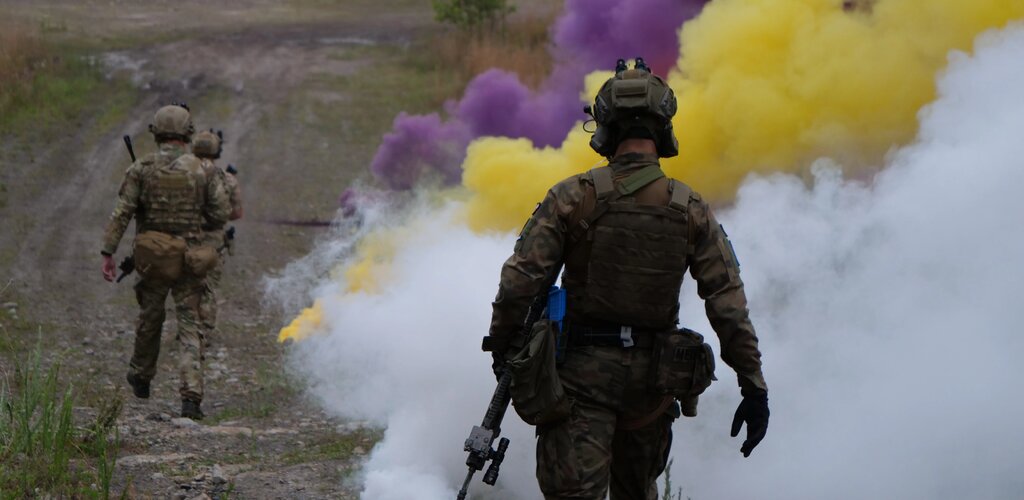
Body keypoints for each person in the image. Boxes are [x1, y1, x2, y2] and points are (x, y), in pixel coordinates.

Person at [485, 60, 770, 499]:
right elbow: (727, 303)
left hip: (578, 383)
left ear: (605, 126)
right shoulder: (690, 208)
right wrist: (752, 385)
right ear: (662, 128)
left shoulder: (572, 196)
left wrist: (503, 348)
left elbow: (520, 282)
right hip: (652, 388)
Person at [101, 103, 231, 420]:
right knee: (190, 326)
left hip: (154, 259)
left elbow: (122, 213)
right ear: (188, 133)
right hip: (190, 259)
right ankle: (191, 396)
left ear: (156, 133)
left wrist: (108, 252)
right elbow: (219, 215)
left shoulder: (141, 169)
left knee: (150, 318)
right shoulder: (204, 170)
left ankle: (141, 376)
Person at [191, 129, 243, 347]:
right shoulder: (227, 179)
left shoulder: (183, 172)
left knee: (187, 284)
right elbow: (236, 213)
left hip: (188, 237)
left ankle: (188, 327)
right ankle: (204, 331)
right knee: (208, 286)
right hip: (214, 241)